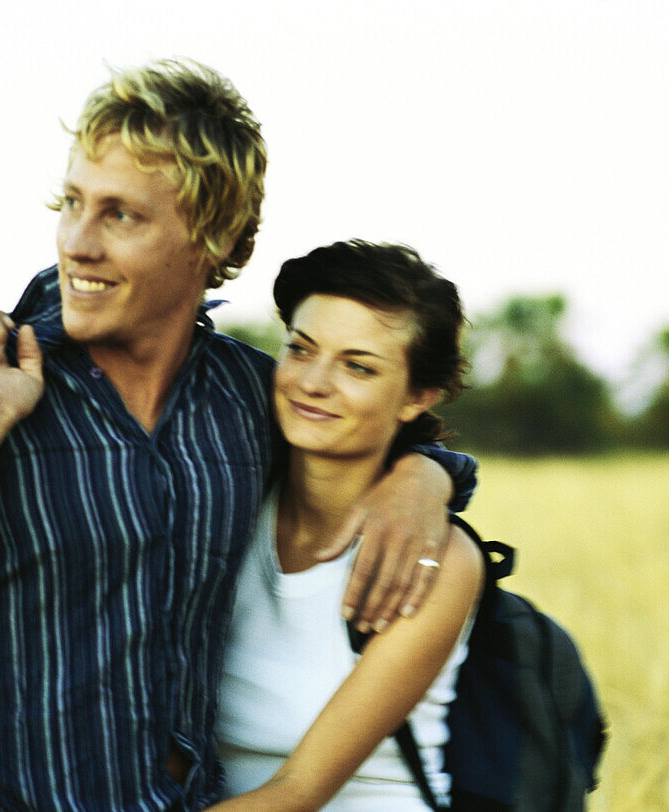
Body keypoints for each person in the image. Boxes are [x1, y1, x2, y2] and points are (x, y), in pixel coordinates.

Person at [0, 60, 476, 810]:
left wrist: (427, 476)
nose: (77, 243)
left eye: (121, 215)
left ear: (212, 240)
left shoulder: (246, 399)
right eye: (72, 203)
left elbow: (356, 427)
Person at [212, 241, 484, 811]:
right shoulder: (228, 505)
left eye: (357, 366)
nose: (313, 382)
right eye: (300, 350)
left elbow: (299, 791)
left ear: (417, 397)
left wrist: (426, 475)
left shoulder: (439, 559)